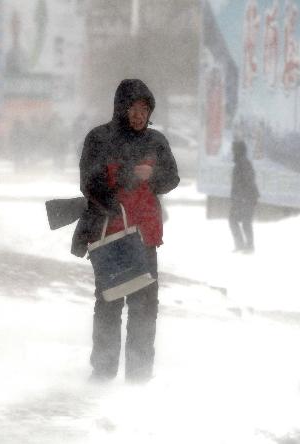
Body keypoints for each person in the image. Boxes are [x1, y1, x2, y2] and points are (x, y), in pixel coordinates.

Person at [72, 79, 180, 383]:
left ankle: (139, 376)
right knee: (110, 302)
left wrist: (153, 174)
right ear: (122, 108)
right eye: (134, 107)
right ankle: (103, 372)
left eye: (145, 109)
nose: (139, 114)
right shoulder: (99, 138)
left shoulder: (156, 142)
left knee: (145, 308)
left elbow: (172, 178)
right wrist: (121, 186)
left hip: (145, 237)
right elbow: (88, 182)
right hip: (110, 236)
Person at [228, 140, 259, 253]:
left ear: (238, 150)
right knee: (237, 221)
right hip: (243, 198)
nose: (232, 151)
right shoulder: (241, 162)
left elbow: (248, 181)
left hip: (246, 198)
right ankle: (242, 245)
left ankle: (248, 246)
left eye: (234, 149)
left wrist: (243, 198)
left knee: (242, 221)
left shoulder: (243, 163)